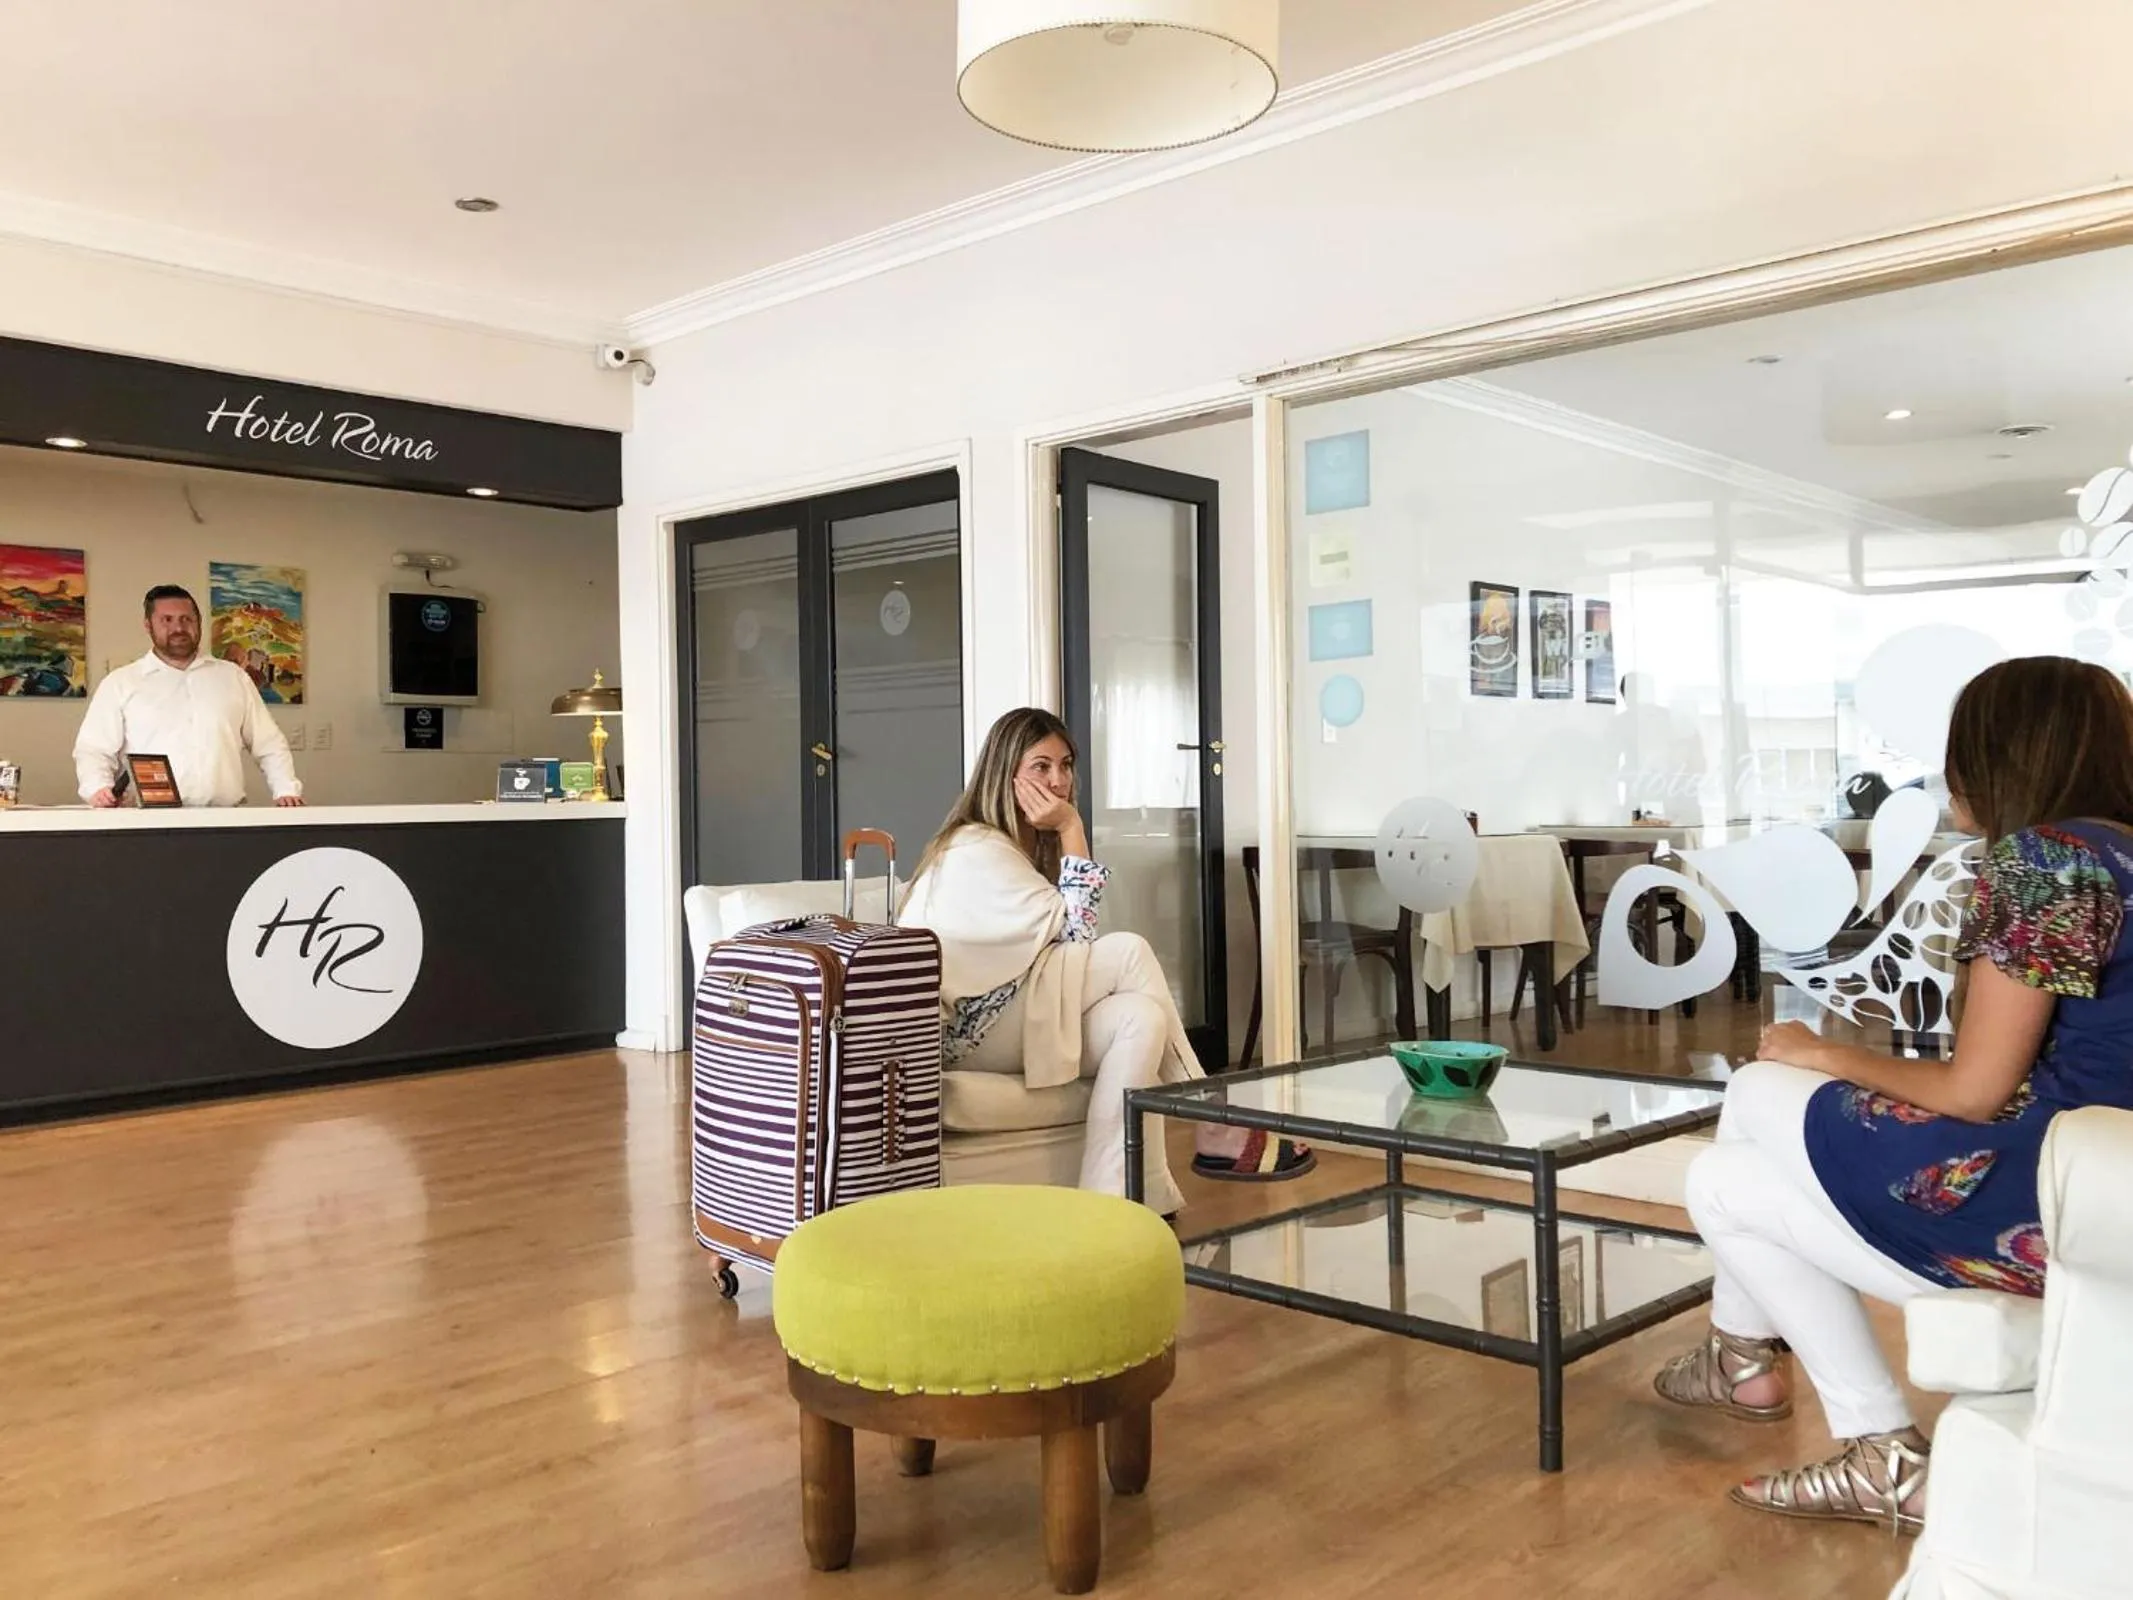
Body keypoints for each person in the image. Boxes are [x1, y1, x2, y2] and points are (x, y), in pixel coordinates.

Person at [1652, 656, 2133, 1534]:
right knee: (1722, 1182)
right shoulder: (2117, 854)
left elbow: (1975, 1090)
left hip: (2051, 1204)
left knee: (1757, 1085)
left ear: (1997, 755)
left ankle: (1747, 1359)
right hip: (2106, 1190)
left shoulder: (2045, 862)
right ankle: (1857, 1439)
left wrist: (1824, 1052)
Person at [897, 707, 1313, 1215]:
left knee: (1141, 1017)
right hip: (966, 1038)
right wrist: (1071, 826)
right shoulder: (976, 847)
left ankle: (1108, 1204)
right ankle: (1213, 1120)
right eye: (1041, 766)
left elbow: (1057, 948)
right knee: (1128, 951)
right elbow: (1078, 937)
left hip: (1009, 1017)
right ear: (1005, 774)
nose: (1058, 781)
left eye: (1066, 765)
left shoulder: (1015, 847)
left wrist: (1065, 833)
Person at [74, 585, 304, 808]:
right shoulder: (121, 683)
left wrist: (286, 790)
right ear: (148, 625)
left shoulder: (233, 677)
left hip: (223, 819)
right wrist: (98, 788)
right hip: (147, 820)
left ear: (199, 622)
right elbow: (93, 749)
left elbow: (268, 742)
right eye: (167, 620)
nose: (178, 628)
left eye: (186, 619)